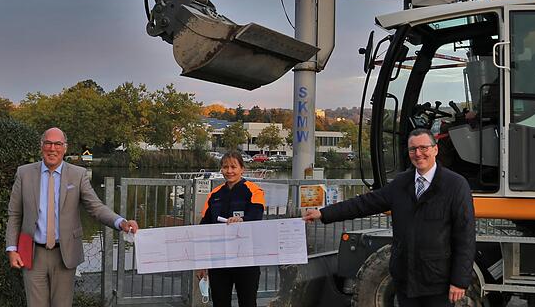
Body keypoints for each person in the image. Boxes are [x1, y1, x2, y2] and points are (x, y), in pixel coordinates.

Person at [304, 128, 476, 306]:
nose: (418, 154)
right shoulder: (401, 183)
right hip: (405, 281)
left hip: (438, 282)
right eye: (412, 149)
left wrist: (459, 281)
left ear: (435, 149)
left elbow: (465, 236)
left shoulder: (455, 185)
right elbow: (363, 204)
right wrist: (324, 213)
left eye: (424, 148)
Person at [5, 127, 139, 307]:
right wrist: (12, 249)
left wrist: (120, 222)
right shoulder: (24, 173)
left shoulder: (78, 174)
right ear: (41, 146)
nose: (53, 148)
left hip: (65, 254)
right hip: (33, 254)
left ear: (65, 148)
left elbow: (95, 207)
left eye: (58, 144)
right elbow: (15, 214)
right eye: (48, 143)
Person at [196, 151, 265, 307]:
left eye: (234, 167)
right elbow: (204, 228)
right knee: (220, 303)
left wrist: (242, 220)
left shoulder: (254, 191)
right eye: (225, 167)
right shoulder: (214, 194)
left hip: (247, 259)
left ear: (242, 169)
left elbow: (256, 217)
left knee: (247, 303)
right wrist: (202, 262)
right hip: (219, 260)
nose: (229, 171)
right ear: (221, 169)